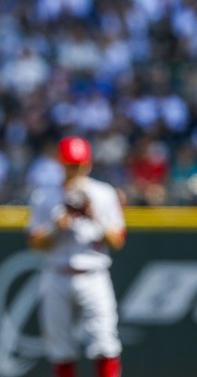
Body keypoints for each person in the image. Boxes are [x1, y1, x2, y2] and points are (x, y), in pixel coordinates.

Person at [27, 135, 126, 377]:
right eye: (70, 164)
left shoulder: (103, 194)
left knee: (105, 342)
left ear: (88, 164)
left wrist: (95, 217)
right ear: (60, 164)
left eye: (80, 164)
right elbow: (34, 242)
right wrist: (56, 226)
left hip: (93, 274)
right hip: (56, 273)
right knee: (60, 349)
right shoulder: (45, 196)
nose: (76, 170)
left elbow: (118, 240)